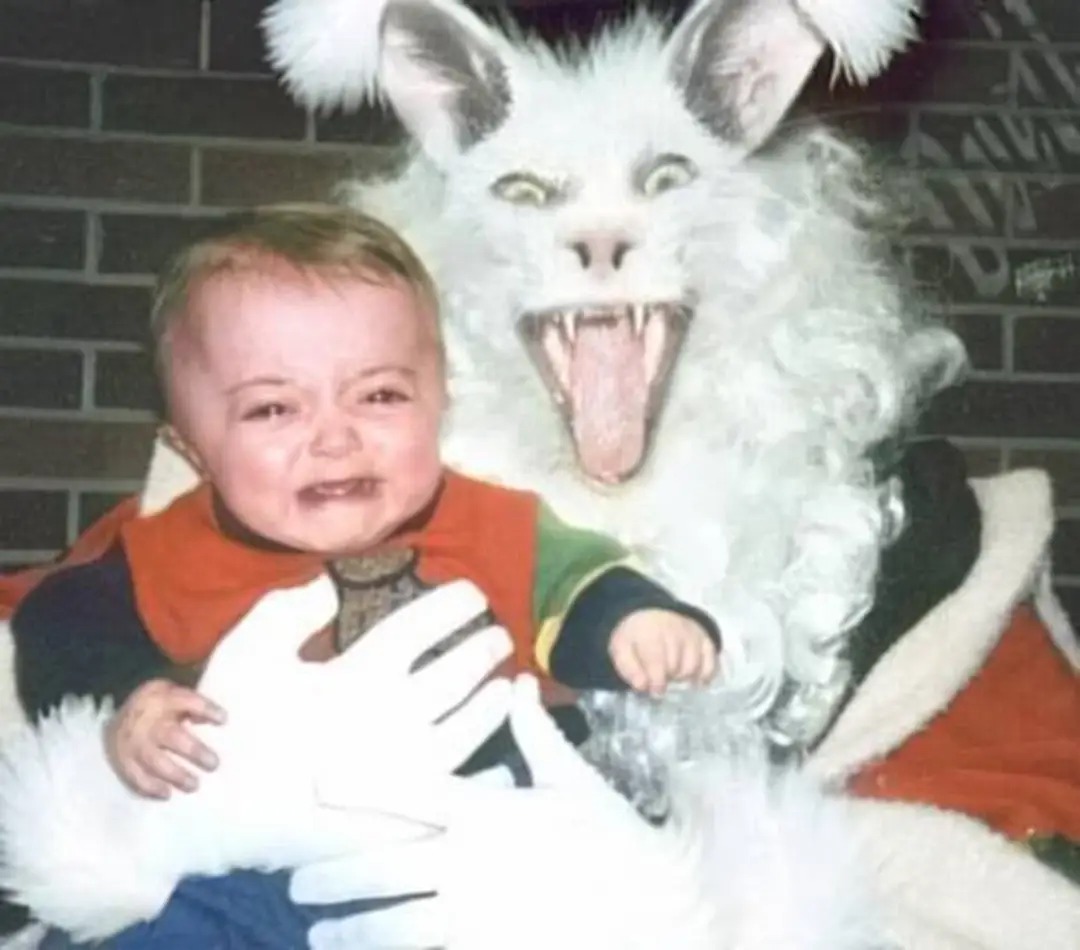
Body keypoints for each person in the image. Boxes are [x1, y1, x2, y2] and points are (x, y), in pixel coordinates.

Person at [4, 202, 720, 943]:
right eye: (273, 409)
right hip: (258, 856)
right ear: (191, 448)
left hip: (480, 851)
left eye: (380, 395)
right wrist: (132, 697)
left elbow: (579, 581)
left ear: (440, 402)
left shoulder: (495, 524)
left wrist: (631, 622)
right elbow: (60, 623)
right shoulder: (171, 551)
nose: (335, 438)